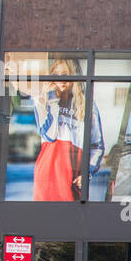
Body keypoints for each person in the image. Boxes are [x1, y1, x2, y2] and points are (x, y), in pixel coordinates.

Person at [30, 56, 103, 201]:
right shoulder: (41, 99)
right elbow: (50, 135)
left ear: (74, 74)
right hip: (47, 175)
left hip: (72, 177)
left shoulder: (87, 105)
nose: (60, 80)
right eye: (55, 76)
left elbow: (97, 145)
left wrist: (87, 172)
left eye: (64, 74)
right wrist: (52, 101)